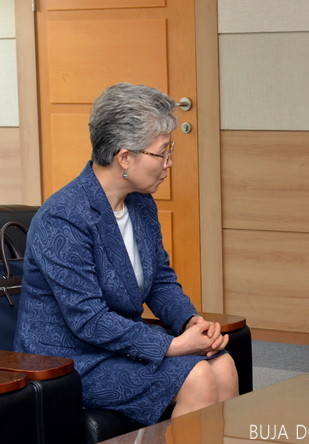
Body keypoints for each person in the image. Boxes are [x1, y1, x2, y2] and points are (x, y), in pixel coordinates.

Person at [14, 82, 238, 425]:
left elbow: (160, 281)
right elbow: (89, 320)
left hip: (118, 345)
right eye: (162, 153)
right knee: (197, 376)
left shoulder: (140, 203)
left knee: (223, 364)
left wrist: (189, 321)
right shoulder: (64, 217)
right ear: (124, 157)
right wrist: (174, 347)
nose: (169, 163)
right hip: (70, 358)